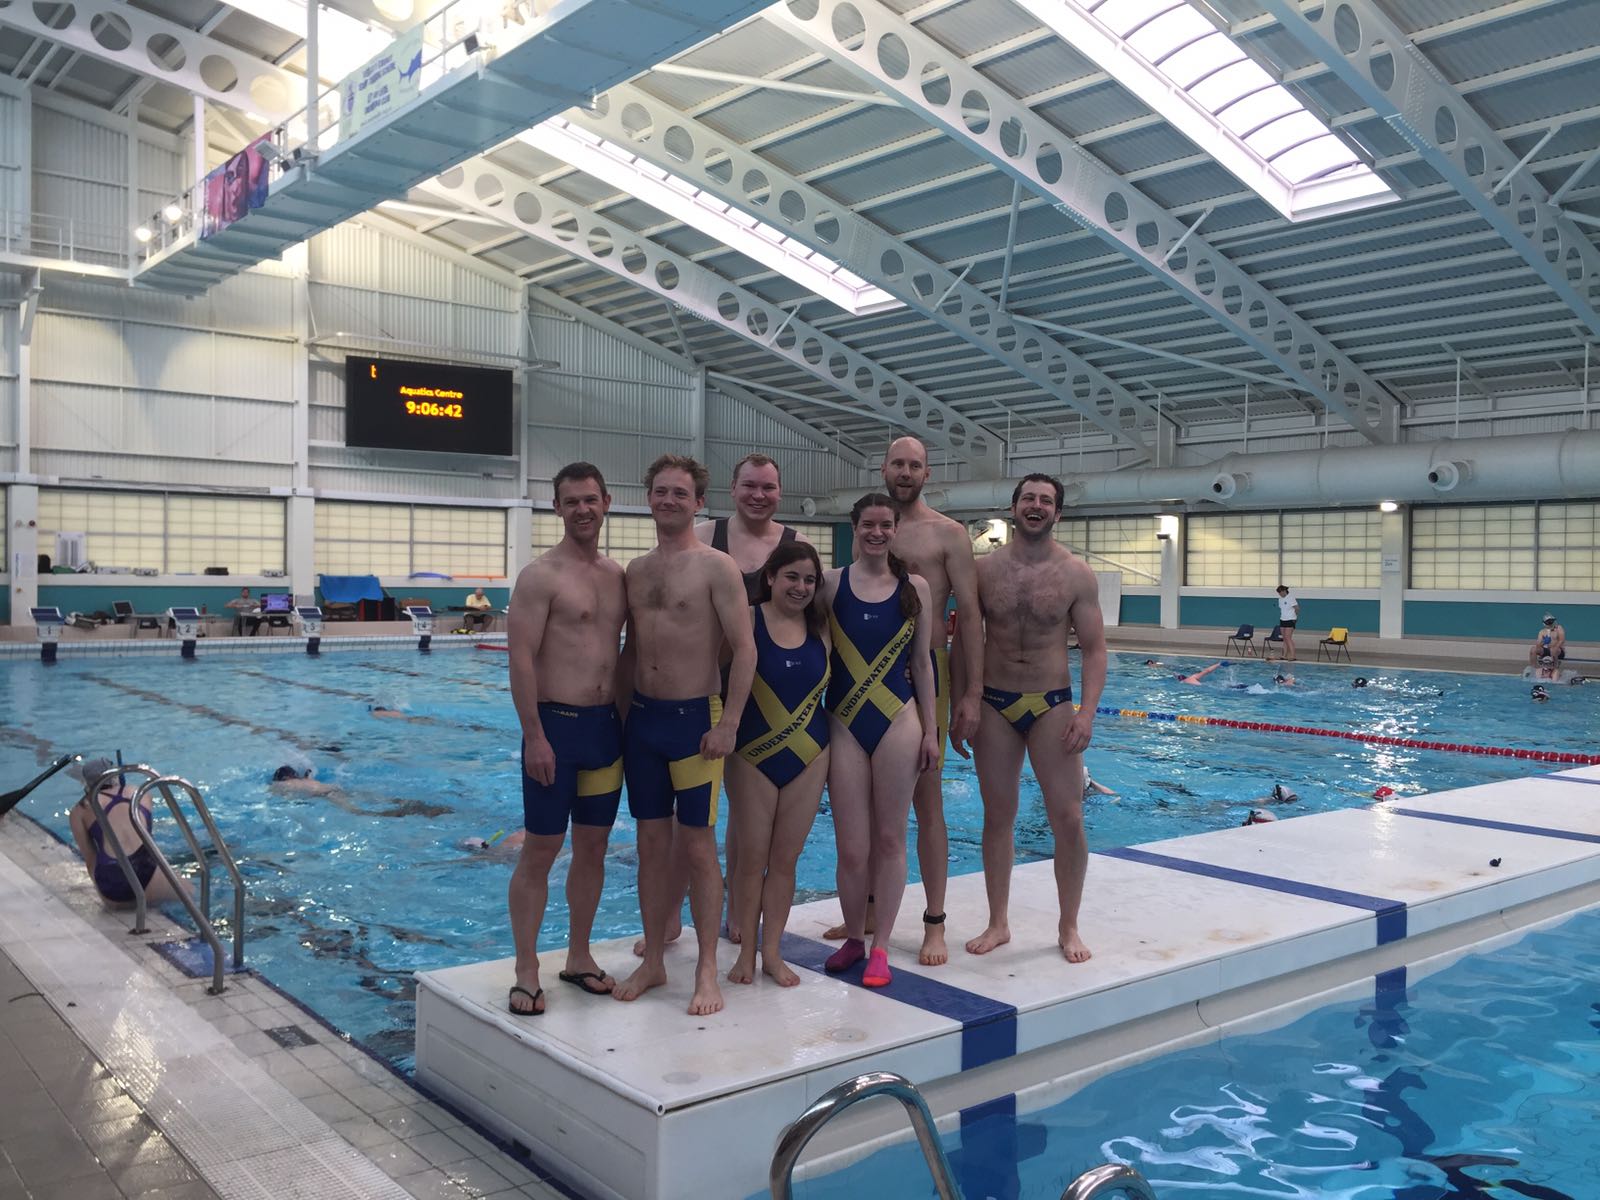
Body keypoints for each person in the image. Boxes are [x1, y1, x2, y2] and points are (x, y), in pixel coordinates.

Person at [822, 437, 980, 967]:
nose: (906, 471)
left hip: (921, 684)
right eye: (898, 463)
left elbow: (970, 620)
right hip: (860, 688)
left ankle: (933, 922)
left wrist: (969, 695)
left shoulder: (948, 534)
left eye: (915, 464)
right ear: (884, 469)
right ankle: (865, 915)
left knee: (927, 809)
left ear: (927, 472)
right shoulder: (869, 530)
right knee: (862, 813)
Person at [614, 455, 755, 1016]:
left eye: (681, 493)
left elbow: (745, 649)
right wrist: (621, 717)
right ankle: (653, 962)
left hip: (696, 721)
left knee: (697, 847)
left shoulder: (717, 567)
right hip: (643, 723)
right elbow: (628, 652)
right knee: (650, 846)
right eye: (660, 491)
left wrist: (728, 724)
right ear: (648, 497)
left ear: (699, 503)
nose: (669, 500)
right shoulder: (636, 570)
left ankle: (704, 970)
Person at [963, 475, 1106, 963]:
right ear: (1014, 507)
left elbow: (1094, 649)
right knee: (998, 816)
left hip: (1052, 703)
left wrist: (1087, 712)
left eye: (1046, 501)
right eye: (1029, 498)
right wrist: (966, 698)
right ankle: (998, 923)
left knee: (1068, 817)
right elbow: (965, 640)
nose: (1037, 506)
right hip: (994, 704)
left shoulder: (1076, 574)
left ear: (1058, 513)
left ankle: (1068, 926)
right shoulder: (983, 571)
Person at [505, 462, 629, 1017]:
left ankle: (579, 955)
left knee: (594, 849)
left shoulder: (617, 576)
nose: (583, 509)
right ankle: (527, 967)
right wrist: (534, 735)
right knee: (540, 849)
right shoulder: (539, 576)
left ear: (607, 501)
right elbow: (520, 660)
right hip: (554, 727)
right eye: (571, 501)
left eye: (591, 499)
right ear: (557, 508)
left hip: (605, 731)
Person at [820, 493, 939, 988]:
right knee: (851, 847)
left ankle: (882, 947)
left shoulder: (917, 588)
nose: (876, 532)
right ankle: (854, 937)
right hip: (844, 722)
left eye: (885, 525)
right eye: (867, 524)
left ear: (895, 530)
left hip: (899, 721)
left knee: (890, 838)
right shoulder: (829, 584)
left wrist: (932, 731)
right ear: (854, 527)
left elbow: (921, 664)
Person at [691, 452, 810, 944]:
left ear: (779, 492)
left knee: (748, 815)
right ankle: (692, 920)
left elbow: (813, 614)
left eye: (768, 488)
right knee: (697, 816)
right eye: (749, 486)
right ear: (732, 488)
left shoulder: (795, 543)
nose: (758, 496)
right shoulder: (704, 536)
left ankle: (740, 915)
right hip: (710, 687)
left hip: (770, 693)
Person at [725, 542, 831, 988]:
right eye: (792, 577)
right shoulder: (746, 620)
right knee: (751, 860)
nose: (801, 587)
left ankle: (772, 952)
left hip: (811, 753)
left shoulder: (823, 629)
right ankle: (745, 952)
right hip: (752, 753)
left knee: (786, 860)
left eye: (809, 580)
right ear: (770, 577)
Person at [67, 758, 185, 906]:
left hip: (114, 886)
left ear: (86, 783)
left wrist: (104, 896)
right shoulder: (140, 794)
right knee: (190, 893)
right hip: (149, 873)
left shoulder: (79, 811)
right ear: (115, 775)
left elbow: (90, 859)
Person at [269, 765, 341, 797]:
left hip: (326, 794)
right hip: (332, 788)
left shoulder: (285, 784)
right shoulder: (304, 780)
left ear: (286, 777)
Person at [1274, 585, 1299, 661]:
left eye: (1280, 592)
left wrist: (1294, 617)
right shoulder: (1280, 599)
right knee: (1284, 638)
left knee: (1288, 638)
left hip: (1290, 620)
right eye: (1279, 593)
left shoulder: (1291, 598)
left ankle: (1293, 656)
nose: (1280, 594)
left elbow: (1297, 608)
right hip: (1282, 619)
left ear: (1284, 591)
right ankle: (1284, 655)